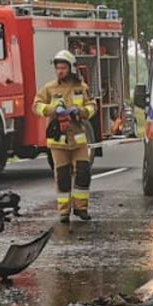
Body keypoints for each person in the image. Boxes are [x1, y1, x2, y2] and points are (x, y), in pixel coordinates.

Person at [34, 50, 97, 222]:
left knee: (83, 173)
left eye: (63, 67)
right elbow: (37, 105)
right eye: (58, 68)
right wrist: (53, 110)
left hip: (78, 139)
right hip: (58, 140)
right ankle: (64, 212)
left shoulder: (81, 88)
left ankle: (81, 208)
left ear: (71, 68)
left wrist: (81, 111)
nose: (60, 71)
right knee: (62, 176)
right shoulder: (49, 88)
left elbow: (92, 106)